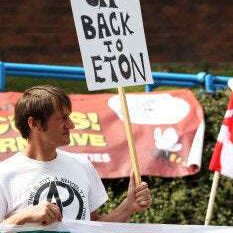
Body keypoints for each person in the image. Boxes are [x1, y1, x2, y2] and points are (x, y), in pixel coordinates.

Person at [0, 85, 152, 225]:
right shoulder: (4, 174)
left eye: (69, 116)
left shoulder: (82, 165)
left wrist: (128, 206)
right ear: (35, 124)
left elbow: (93, 231)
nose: (71, 125)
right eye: (62, 118)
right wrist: (23, 216)